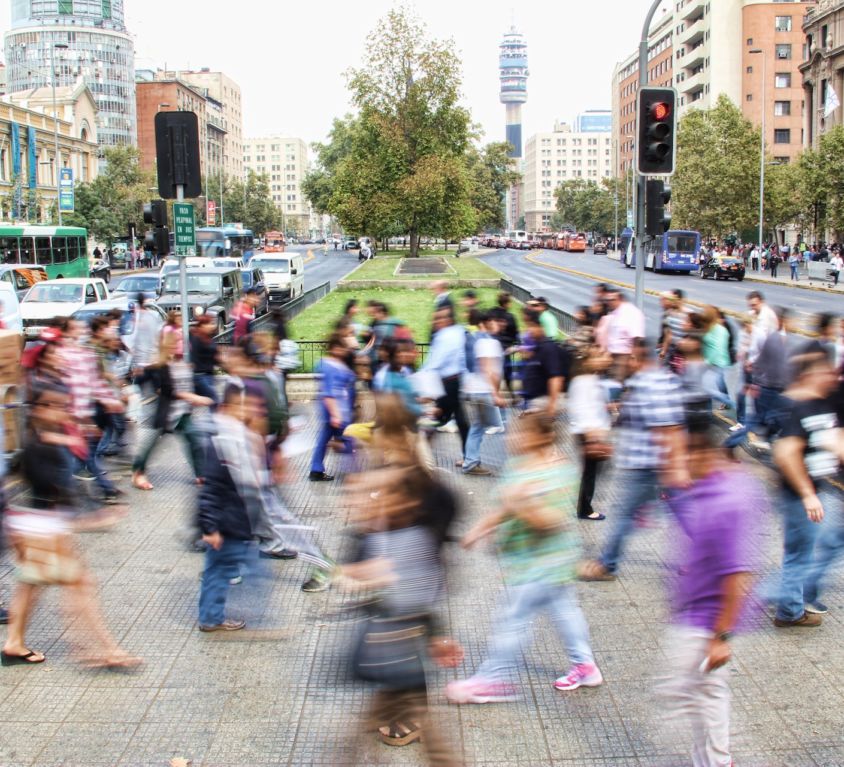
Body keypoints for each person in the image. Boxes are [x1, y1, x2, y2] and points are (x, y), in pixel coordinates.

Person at [446, 412, 603, 703]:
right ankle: (585, 666)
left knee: (512, 618)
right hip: (533, 559)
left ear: (542, 437)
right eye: (514, 432)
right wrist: (479, 530)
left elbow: (552, 520)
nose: (512, 438)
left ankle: (494, 680)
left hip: (543, 561)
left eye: (521, 433)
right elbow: (505, 506)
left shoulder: (558, 472)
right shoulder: (519, 465)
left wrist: (522, 504)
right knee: (565, 609)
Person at [2, 385, 140, 669]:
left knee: (30, 587)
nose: (64, 411)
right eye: (56, 406)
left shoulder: (45, 440)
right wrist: (93, 519)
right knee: (80, 586)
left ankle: (14, 643)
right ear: (39, 410)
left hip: (34, 527)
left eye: (65, 406)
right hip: (42, 531)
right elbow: (55, 491)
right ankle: (103, 650)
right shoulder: (39, 445)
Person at [660, 405, 765, 767]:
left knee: (684, 694)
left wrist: (722, 636)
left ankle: (718, 761)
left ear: (698, 452)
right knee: (708, 695)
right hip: (698, 612)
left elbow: (739, 573)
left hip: (707, 619)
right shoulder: (710, 487)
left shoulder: (726, 502)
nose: (672, 462)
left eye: (678, 454)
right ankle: (715, 760)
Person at [343, 464, 462, 763]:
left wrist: (437, 636)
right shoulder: (371, 536)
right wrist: (352, 577)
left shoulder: (416, 540)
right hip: (381, 648)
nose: (362, 500)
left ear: (405, 502)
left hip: (402, 651)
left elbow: (421, 596)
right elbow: (356, 578)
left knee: (419, 728)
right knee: (370, 725)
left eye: (375, 493)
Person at [580, 339, 687, 580]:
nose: (623, 361)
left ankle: (607, 565)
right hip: (649, 464)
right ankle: (705, 559)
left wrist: (674, 467)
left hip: (648, 465)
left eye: (628, 357)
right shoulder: (652, 380)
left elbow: (668, 428)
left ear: (638, 358)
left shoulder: (651, 383)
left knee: (624, 514)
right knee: (681, 512)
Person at [771, 351, 844, 626]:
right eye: (825, 372)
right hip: (801, 495)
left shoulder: (821, 405)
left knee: (804, 552)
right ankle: (788, 611)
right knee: (800, 556)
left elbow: (835, 441)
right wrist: (807, 494)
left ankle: (789, 602)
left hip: (816, 490)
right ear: (811, 375)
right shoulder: (799, 407)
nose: (832, 377)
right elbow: (786, 452)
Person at [197, 383, 266, 632]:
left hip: (235, 519)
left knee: (220, 569)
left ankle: (210, 616)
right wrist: (209, 527)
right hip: (226, 522)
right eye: (241, 406)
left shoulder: (238, 437)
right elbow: (211, 488)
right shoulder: (223, 442)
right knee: (221, 570)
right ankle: (210, 618)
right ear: (226, 408)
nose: (247, 411)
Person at [131, 333, 212, 491]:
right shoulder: (160, 366)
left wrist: (201, 397)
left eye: (182, 342)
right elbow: (166, 390)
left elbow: (190, 384)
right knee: (152, 444)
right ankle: (138, 472)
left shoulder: (184, 364)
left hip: (182, 413)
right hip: (166, 412)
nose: (180, 345)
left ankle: (201, 474)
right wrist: (192, 397)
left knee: (194, 439)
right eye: (176, 342)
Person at [567, 347, 612, 520]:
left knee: (592, 472)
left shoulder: (591, 379)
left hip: (592, 433)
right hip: (588, 434)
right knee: (590, 473)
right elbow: (582, 410)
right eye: (599, 356)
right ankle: (585, 509)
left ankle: (584, 506)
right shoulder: (584, 381)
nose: (604, 358)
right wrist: (593, 438)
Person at [461, 311, 504, 476]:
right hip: (484, 391)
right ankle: (472, 462)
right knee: (494, 426)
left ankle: (469, 460)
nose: (498, 325)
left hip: (473, 389)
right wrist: (495, 394)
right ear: (486, 323)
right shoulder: (488, 342)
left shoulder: (476, 339)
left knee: (478, 426)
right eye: (494, 321)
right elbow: (488, 369)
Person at [309, 333, 356, 481]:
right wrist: (336, 415)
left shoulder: (329, 365)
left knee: (324, 439)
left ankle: (316, 469)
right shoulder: (331, 367)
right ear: (335, 348)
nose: (345, 351)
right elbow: (329, 392)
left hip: (333, 410)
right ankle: (351, 472)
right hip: (337, 411)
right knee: (348, 439)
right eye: (343, 348)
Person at [423, 307, 469, 454]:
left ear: (448, 319)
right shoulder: (459, 332)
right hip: (452, 381)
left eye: (440, 318)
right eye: (436, 318)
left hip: (448, 382)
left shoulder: (444, 336)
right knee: (455, 419)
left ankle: (468, 456)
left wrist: (423, 377)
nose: (436, 322)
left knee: (443, 417)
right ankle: (468, 456)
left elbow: (435, 360)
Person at [603, 288, 646, 380]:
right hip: (613, 355)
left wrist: (634, 358)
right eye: (607, 300)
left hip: (625, 356)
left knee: (619, 382)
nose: (609, 303)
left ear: (620, 299)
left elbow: (637, 338)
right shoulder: (615, 313)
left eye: (612, 300)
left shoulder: (632, 313)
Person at [489, 292, 519, 398]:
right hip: (505, 348)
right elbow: (515, 334)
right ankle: (511, 395)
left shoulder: (491, 313)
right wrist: (515, 344)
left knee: (493, 372)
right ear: (507, 304)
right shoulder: (510, 317)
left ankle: (494, 394)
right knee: (507, 373)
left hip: (492, 347)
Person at [190, 314, 219, 406]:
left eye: (212, 323)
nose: (211, 326)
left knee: (209, 401)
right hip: (200, 376)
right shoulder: (196, 338)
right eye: (209, 324)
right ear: (202, 326)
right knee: (214, 400)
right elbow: (193, 357)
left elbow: (214, 357)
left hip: (209, 374)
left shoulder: (209, 338)